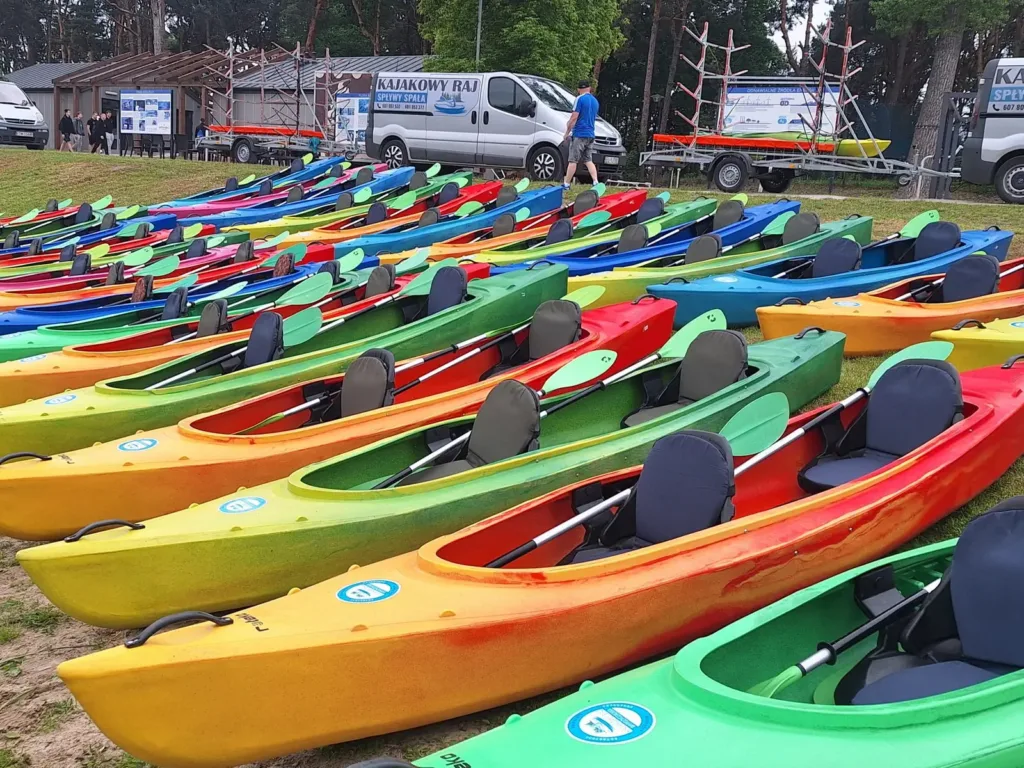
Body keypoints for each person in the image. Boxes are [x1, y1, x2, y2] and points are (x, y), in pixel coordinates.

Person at [562, 80, 600, 187]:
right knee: (588, 160)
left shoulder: (579, 99)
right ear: (589, 88)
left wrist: (567, 132)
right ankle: (595, 181)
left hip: (579, 133)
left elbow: (574, 117)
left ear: (578, 89)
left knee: (573, 160)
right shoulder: (595, 101)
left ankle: (566, 184)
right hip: (590, 134)